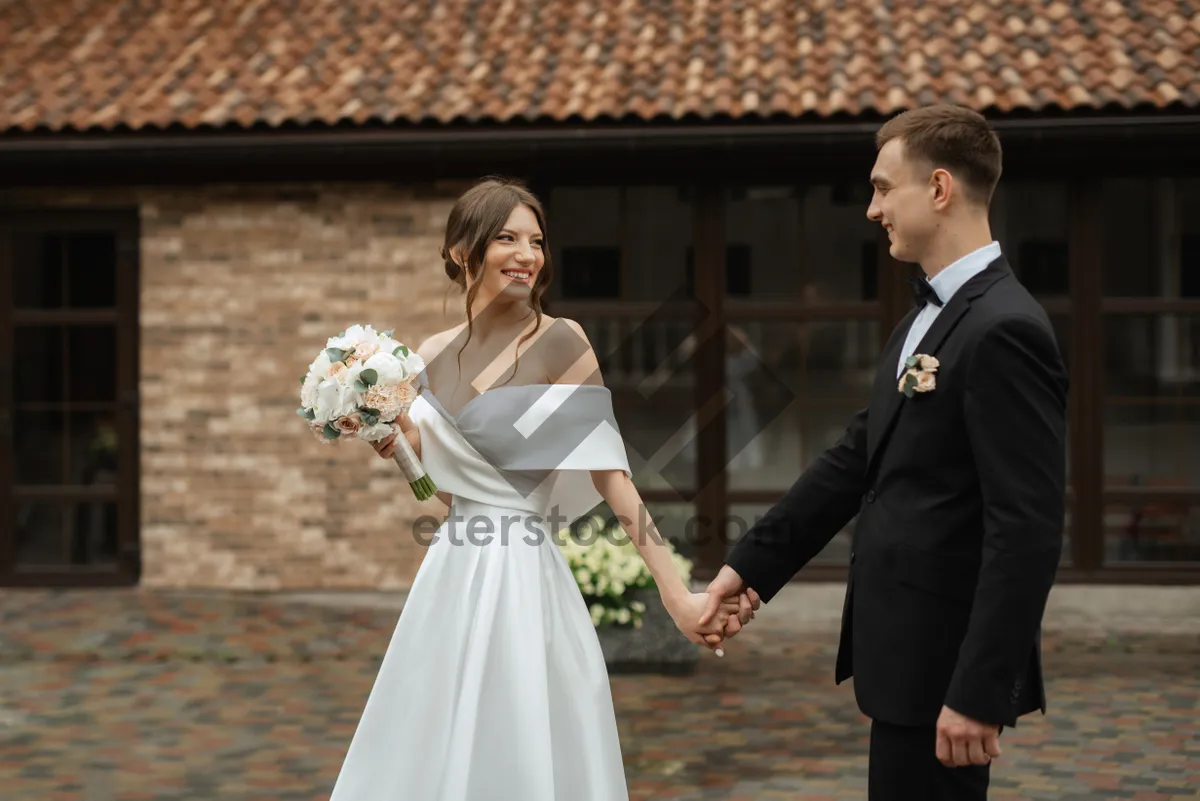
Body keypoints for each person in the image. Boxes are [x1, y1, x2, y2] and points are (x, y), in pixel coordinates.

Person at [328, 177, 745, 801]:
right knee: (435, 738)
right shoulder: (428, 359)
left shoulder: (560, 341)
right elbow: (445, 494)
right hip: (451, 573)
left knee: (522, 736)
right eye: (507, 238)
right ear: (462, 252)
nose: (527, 254)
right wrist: (398, 450)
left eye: (537, 241)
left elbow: (612, 477)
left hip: (524, 570)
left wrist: (674, 592)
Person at [702, 105, 1069, 800]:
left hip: (946, 675)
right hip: (902, 664)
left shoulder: (1005, 329)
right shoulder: (922, 321)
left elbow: (1026, 528)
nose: (872, 210)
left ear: (938, 189)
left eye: (881, 188)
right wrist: (749, 567)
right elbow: (855, 459)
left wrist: (980, 689)